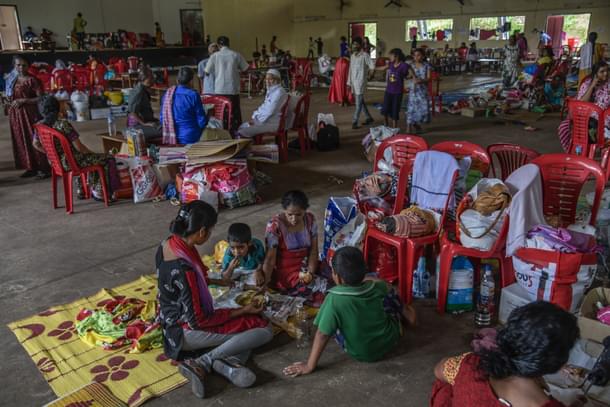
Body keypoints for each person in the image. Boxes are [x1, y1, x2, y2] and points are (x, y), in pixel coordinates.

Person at [157, 201, 273, 398]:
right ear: (202, 231)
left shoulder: (169, 244)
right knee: (263, 328)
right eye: (210, 230)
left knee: (243, 324)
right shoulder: (186, 271)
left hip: (169, 320)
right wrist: (243, 311)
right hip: (183, 332)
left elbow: (197, 282)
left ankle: (228, 362)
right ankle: (204, 361)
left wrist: (222, 283)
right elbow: (199, 320)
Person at [282, 247, 416, 377]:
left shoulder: (333, 299)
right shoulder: (377, 287)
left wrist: (309, 365)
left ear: (338, 278)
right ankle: (408, 314)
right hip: (390, 340)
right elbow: (385, 285)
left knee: (333, 323)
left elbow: (322, 334)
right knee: (390, 296)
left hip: (362, 353)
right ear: (364, 272)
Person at [430, 301, 579, 407]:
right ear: (556, 362)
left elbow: (438, 371)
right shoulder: (544, 403)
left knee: (447, 386)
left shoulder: (471, 364)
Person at [34, 95, 120, 200]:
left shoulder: (39, 126)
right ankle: (101, 192)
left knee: (81, 157)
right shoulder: (63, 124)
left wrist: (52, 154)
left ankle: (82, 189)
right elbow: (80, 147)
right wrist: (92, 152)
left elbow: (36, 144)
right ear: (57, 107)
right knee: (107, 158)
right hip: (71, 163)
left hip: (55, 162)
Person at [262, 190, 319, 291]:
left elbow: (313, 252)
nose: (294, 219)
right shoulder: (274, 226)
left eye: (299, 214)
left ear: (305, 210)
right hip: (285, 272)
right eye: (290, 214)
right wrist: (265, 283)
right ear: (284, 210)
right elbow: (270, 259)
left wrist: (310, 273)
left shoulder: (310, 220)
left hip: (305, 267)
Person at [5, 56, 49, 178]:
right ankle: (31, 167)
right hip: (17, 115)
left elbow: (41, 98)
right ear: (14, 66)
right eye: (18, 65)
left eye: (24, 65)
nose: (21, 68)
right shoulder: (13, 80)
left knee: (33, 139)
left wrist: (25, 100)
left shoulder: (32, 80)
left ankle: (44, 168)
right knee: (21, 139)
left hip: (30, 114)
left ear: (28, 66)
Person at [558, 61, 610, 152]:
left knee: (597, 131)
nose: (606, 73)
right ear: (595, 74)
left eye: (607, 71)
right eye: (602, 72)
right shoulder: (587, 83)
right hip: (583, 115)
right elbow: (581, 103)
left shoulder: (609, 84)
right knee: (564, 127)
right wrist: (592, 86)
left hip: (603, 117)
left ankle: (590, 150)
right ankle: (573, 151)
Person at [205, 36, 249, 133]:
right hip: (233, 89)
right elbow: (246, 69)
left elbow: (207, 72)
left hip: (219, 90)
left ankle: (223, 132)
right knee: (234, 112)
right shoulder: (236, 55)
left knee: (221, 112)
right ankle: (236, 132)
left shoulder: (214, 56)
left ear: (219, 45)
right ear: (229, 44)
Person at [160, 67, 207, 145]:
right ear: (191, 81)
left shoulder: (168, 94)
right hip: (191, 137)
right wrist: (209, 114)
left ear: (177, 80)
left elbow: (162, 119)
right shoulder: (193, 95)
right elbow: (202, 122)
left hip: (172, 136)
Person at [237, 69, 287, 138]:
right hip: (266, 120)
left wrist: (256, 120)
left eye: (271, 79)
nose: (267, 82)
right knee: (243, 126)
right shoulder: (272, 90)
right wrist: (255, 116)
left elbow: (269, 111)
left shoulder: (278, 92)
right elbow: (264, 106)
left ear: (277, 80)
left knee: (242, 131)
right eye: (266, 79)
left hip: (271, 122)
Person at [348, 37, 375, 129]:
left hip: (360, 82)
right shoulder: (352, 56)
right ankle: (369, 117)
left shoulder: (365, 55)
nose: (355, 46)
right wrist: (349, 83)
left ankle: (354, 121)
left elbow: (372, 66)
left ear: (361, 45)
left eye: (357, 44)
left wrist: (370, 75)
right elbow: (350, 70)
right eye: (353, 44)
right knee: (361, 102)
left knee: (358, 104)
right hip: (354, 83)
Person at [127, 68, 162, 139]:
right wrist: (145, 124)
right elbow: (132, 112)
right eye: (151, 78)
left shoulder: (143, 89)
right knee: (166, 130)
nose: (153, 80)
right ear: (143, 79)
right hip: (136, 127)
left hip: (142, 123)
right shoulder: (138, 91)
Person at [381, 48, 411, 128]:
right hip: (388, 91)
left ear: (396, 56)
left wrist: (413, 77)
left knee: (395, 110)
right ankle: (385, 124)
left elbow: (410, 70)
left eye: (391, 56)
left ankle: (394, 128)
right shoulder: (391, 64)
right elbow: (383, 68)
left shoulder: (403, 65)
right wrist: (372, 68)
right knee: (385, 109)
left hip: (397, 92)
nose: (389, 57)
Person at [406, 48, 431, 133]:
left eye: (419, 55)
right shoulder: (411, 65)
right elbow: (409, 76)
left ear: (423, 56)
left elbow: (428, 78)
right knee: (411, 108)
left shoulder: (427, 66)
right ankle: (408, 128)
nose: (416, 57)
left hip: (422, 90)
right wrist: (408, 77)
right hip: (413, 90)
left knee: (423, 109)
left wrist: (422, 80)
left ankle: (416, 124)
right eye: (415, 55)